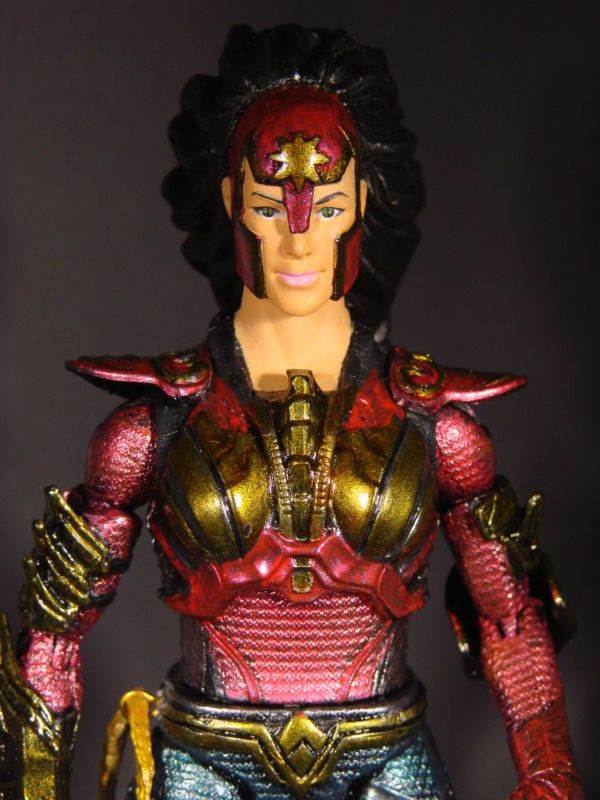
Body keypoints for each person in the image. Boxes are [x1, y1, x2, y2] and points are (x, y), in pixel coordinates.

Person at [0, 24, 581, 800]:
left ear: (360, 204)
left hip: (386, 762)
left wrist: (549, 774)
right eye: (273, 203)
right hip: (205, 761)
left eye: (327, 204)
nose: (299, 240)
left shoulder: (437, 428)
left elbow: (510, 620)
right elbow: (51, 636)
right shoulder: (150, 430)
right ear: (233, 199)